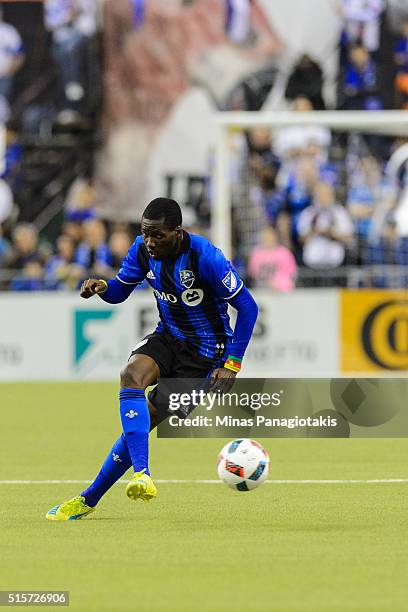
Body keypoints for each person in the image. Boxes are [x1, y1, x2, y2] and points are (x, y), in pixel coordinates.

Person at [46, 197, 258, 520]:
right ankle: (142, 474)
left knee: (145, 418)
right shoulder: (143, 250)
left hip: (204, 355)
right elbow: (120, 290)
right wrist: (103, 287)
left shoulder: (206, 257)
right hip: (168, 336)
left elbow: (248, 307)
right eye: (146, 233)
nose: (150, 241)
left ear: (177, 231)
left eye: (158, 235)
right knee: (130, 376)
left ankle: (90, 498)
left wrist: (231, 364)